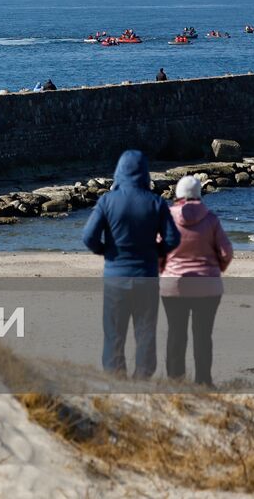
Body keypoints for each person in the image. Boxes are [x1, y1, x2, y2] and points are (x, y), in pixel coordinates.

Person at [81, 149, 181, 378]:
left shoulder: (107, 201)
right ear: (145, 173)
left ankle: (116, 378)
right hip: (146, 275)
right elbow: (173, 239)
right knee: (145, 332)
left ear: (119, 171)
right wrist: (156, 252)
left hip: (116, 275)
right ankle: (142, 379)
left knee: (114, 333)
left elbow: (88, 237)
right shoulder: (156, 203)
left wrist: (106, 251)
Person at [160, 176, 232, 386]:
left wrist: (163, 269)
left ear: (177, 195)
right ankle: (203, 382)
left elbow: (157, 250)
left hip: (173, 285)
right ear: (199, 194)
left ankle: (175, 382)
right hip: (207, 286)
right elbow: (226, 252)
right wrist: (217, 269)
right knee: (202, 335)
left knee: (176, 333)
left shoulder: (167, 218)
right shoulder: (211, 219)